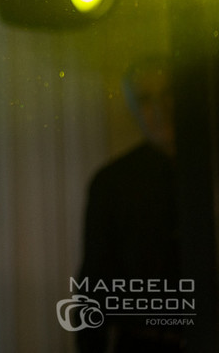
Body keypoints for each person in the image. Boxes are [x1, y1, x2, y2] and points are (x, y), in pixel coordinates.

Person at [75, 55, 183, 353]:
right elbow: (94, 281)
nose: (160, 109)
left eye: (168, 94)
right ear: (134, 109)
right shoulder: (112, 183)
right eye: (146, 100)